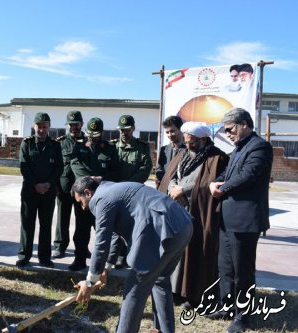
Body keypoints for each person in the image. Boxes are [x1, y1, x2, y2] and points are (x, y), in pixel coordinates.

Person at [72, 177, 193, 333]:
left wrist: (90, 281)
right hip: (183, 225)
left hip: (163, 232)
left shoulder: (101, 200)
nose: (83, 208)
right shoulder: (113, 189)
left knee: (134, 289)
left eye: (81, 202)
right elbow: (115, 235)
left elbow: (102, 242)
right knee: (161, 280)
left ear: (87, 193)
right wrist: (106, 268)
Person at [208, 108, 273, 333]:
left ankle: (243, 315)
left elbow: (247, 175)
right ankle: (227, 307)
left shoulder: (260, 147)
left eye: (230, 129)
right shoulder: (239, 148)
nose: (228, 134)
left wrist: (222, 188)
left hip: (246, 220)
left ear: (244, 124)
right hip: (228, 217)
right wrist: (214, 183)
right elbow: (228, 172)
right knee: (225, 267)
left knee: (242, 271)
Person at [158, 122, 229, 309]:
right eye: (187, 142)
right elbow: (171, 174)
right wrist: (173, 187)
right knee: (176, 250)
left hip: (198, 212)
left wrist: (184, 189)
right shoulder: (182, 153)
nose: (188, 146)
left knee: (196, 251)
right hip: (177, 210)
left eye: (192, 143)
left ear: (204, 139)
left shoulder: (218, 158)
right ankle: (174, 290)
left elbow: (214, 183)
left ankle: (194, 294)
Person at [69, 117, 119, 271]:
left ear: (102, 132)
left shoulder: (110, 149)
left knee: (103, 231)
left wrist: (101, 179)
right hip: (84, 195)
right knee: (81, 231)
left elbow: (116, 172)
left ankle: (102, 264)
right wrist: (91, 179)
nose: (92, 137)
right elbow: (75, 165)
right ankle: (79, 259)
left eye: (96, 134)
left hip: (102, 196)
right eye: (90, 134)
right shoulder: (79, 147)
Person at [16, 112, 63, 268]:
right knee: (27, 224)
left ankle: (44, 257)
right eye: (39, 126)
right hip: (30, 191)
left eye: (45, 126)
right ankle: (24, 255)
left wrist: (49, 184)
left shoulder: (55, 146)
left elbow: (59, 168)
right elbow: (24, 167)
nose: (42, 130)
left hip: (48, 192)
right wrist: (36, 184)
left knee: (45, 225)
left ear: (49, 127)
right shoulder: (27, 144)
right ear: (33, 126)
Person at [112, 114, 153, 269]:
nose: (124, 132)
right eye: (121, 129)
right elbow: (109, 167)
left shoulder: (141, 147)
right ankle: (117, 255)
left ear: (133, 129)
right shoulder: (113, 146)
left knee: (133, 225)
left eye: (127, 129)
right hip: (115, 192)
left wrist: (128, 184)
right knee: (116, 225)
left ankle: (130, 255)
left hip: (134, 192)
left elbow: (145, 168)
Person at [52, 110, 86, 259]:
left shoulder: (88, 141)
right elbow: (54, 165)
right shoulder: (60, 142)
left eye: (76, 124)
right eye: (70, 125)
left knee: (82, 221)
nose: (73, 127)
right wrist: (55, 186)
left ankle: (81, 248)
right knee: (62, 219)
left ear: (81, 124)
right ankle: (60, 247)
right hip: (64, 188)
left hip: (82, 189)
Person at [155, 116, 185, 185]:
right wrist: (169, 184)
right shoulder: (163, 150)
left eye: (172, 131)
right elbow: (159, 170)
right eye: (167, 132)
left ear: (181, 129)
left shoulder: (189, 149)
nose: (169, 135)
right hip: (165, 189)